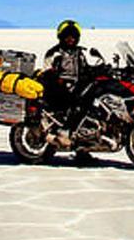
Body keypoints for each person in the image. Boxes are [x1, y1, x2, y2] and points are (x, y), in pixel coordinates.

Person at [41, 20, 96, 161]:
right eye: (67, 36)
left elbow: (86, 69)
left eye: (73, 36)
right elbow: (47, 70)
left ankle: (85, 143)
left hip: (76, 88)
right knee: (78, 105)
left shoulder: (80, 53)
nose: (70, 39)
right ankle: (67, 136)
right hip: (58, 90)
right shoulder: (54, 53)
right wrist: (57, 80)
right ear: (61, 36)